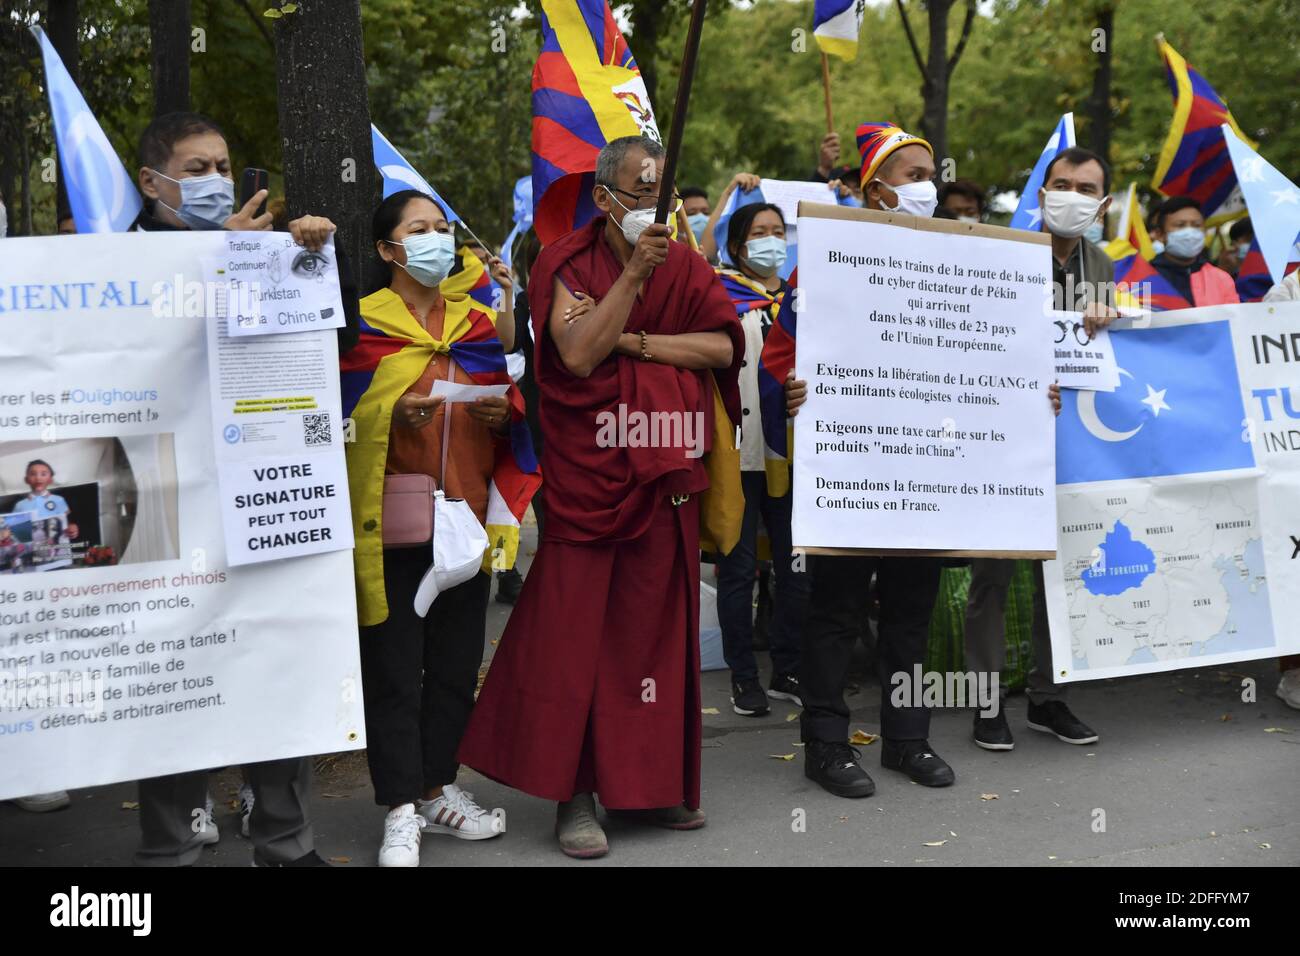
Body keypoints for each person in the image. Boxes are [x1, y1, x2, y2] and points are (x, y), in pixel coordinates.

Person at [457, 134, 744, 859]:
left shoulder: (684, 264)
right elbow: (576, 355)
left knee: (654, 637)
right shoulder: (563, 263)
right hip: (591, 480)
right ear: (604, 197)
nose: (652, 207)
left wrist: (636, 340)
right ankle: (575, 793)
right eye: (639, 192)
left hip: (666, 473)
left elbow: (721, 346)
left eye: (660, 193)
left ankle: (649, 786)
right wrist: (630, 287)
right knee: (577, 642)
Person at [127, 110, 340, 866]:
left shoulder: (264, 250)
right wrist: (226, 261)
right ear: (151, 183)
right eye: (195, 170)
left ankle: (283, 838)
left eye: (223, 166)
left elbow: (296, 351)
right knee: (177, 674)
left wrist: (299, 260)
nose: (216, 182)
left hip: (261, 498)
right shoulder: (113, 265)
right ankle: (171, 842)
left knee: (270, 662)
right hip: (167, 510)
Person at [341, 188, 538, 867]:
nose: (435, 240)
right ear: (388, 250)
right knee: (395, 667)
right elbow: (337, 419)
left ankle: (436, 789)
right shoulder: (361, 323)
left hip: (466, 519)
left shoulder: (477, 323)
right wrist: (391, 418)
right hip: (392, 521)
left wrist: (501, 416)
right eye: (417, 230)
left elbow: (514, 407)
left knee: (455, 667)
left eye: (441, 228)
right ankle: (399, 808)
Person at [963, 145, 1113, 753]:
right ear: (1042, 192)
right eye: (1062, 184)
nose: (1071, 196)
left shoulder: (1101, 265)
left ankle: (1048, 699)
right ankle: (985, 703)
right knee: (992, 580)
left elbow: (1108, 365)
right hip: (1004, 443)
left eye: (1086, 188)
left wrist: (1112, 321)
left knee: (1062, 578)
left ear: (1102, 204)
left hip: (1072, 449)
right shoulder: (1000, 256)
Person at [712, 203, 809, 716]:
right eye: (759, 233)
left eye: (778, 232)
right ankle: (744, 676)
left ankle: (787, 667)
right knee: (739, 569)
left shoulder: (803, 301)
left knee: (797, 569)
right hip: (741, 453)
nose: (771, 241)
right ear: (737, 245)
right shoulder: (719, 298)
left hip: (796, 456)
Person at [1139, 196, 1239, 308]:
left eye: (1196, 225)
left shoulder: (1221, 279)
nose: (1190, 232)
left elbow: (1233, 321)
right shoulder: (1142, 279)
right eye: (1180, 225)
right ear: (1160, 235)